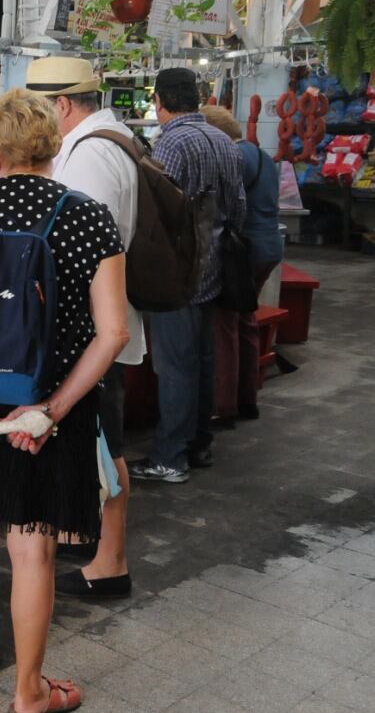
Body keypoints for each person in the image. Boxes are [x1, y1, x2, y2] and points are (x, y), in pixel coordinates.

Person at [0, 88, 130, 712]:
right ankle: (29, 692)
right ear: (52, 143)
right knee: (32, 547)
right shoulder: (88, 216)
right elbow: (113, 333)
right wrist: (50, 411)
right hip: (52, 408)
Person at [26, 57, 144, 600]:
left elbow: (83, 251)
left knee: (105, 443)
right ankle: (91, 542)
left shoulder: (90, 154)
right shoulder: (109, 139)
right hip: (99, 322)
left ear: (62, 105)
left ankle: (110, 563)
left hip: (94, 329)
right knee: (96, 440)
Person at [129, 70, 246, 484]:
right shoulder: (223, 140)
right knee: (203, 360)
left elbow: (157, 215)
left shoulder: (171, 143)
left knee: (176, 365)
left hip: (177, 272)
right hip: (214, 267)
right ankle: (198, 444)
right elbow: (238, 207)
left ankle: (170, 458)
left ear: (159, 101)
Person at [200, 105, 283, 428]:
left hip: (242, 250)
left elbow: (227, 204)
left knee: (225, 326)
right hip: (268, 246)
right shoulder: (261, 156)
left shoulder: (235, 157)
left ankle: (224, 407)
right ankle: (248, 398)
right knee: (247, 320)